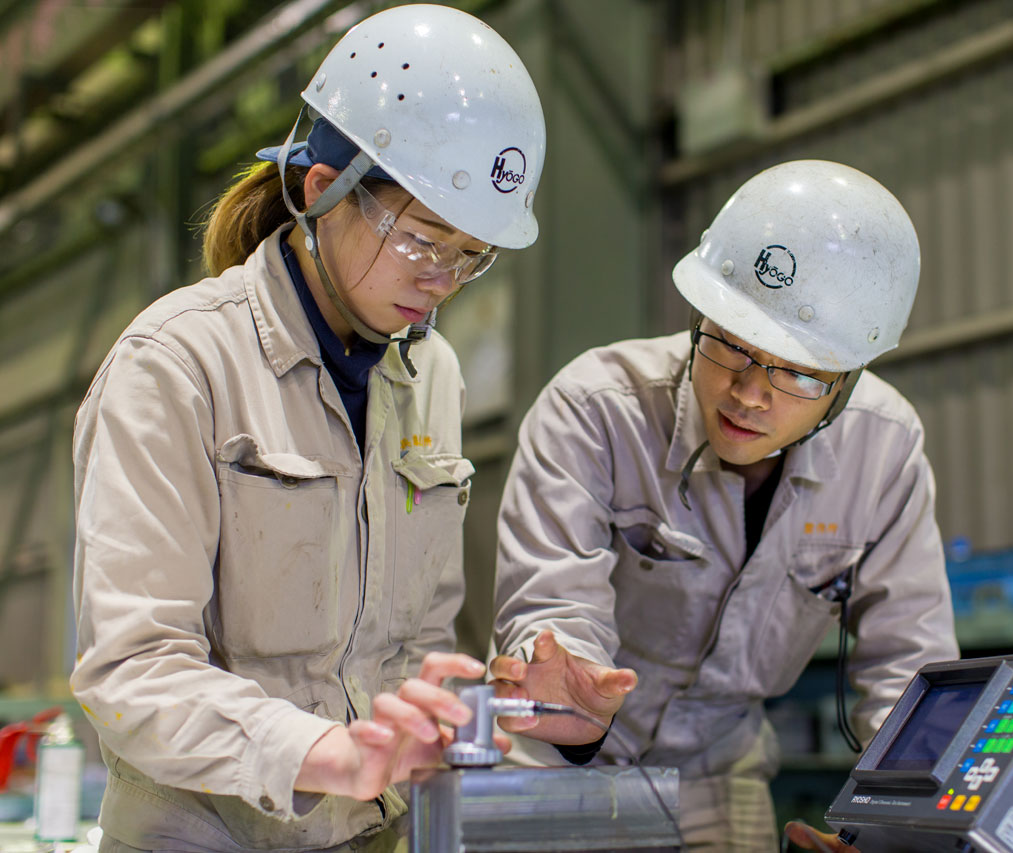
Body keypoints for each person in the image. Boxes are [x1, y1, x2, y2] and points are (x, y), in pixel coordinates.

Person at [69, 6, 544, 851]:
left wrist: (437, 700)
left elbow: (419, 635)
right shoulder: (178, 365)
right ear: (323, 189)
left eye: (472, 255)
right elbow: (131, 669)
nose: (444, 281)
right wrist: (324, 749)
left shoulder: (429, 375)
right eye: (425, 240)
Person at [490, 160, 959, 850]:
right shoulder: (595, 410)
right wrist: (572, 694)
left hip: (717, 770)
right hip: (558, 757)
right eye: (729, 345)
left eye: (796, 369)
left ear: (849, 376)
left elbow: (908, 662)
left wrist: (897, 828)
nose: (748, 392)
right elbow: (553, 605)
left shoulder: (883, 452)